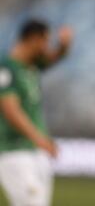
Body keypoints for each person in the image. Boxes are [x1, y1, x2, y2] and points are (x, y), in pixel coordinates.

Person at [0, 19, 73, 206]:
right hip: (13, 150)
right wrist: (38, 138)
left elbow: (55, 57)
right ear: (33, 39)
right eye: (45, 41)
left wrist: (64, 46)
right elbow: (10, 109)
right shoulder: (7, 68)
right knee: (31, 202)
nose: (47, 47)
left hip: (34, 150)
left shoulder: (30, 67)